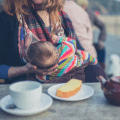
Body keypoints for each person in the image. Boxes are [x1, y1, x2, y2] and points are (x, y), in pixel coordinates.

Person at [0, 0, 107, 84]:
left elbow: (78, 51)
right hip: (29, 88)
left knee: (96, 72)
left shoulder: (62, 16)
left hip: (66, 82)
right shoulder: (7, 19)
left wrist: (99, 72)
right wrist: (26, 70)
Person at [26, 36, 98, 82]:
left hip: (70, 76)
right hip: (79, 65)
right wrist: (57, 38)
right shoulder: (65, 48)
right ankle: (94, 61)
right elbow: (72, 41)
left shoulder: (46, 73)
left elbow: (40, 79)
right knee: (82, 54)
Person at [75, 0, 107, 70]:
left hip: (87, 43)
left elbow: (102, 26)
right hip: (77, 43)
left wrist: (101, 40)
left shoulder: (90, 14)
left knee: (101, 48)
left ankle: (100, 69)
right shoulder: (74, 13)